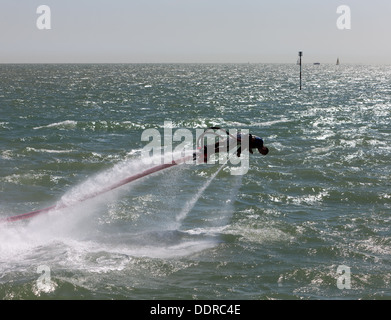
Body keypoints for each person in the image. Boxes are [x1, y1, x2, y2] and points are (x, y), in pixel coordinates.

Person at [195, 131, 269, 163]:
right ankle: (206, 150)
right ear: (264, 148)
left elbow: (246, 144)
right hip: (239, 137)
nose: (260, 152)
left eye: (261, 153)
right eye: (262, 152)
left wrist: (248, 149)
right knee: (225, 146)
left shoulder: (257, 146)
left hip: (238, 139)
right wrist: (239, 151)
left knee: (225, 145)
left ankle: (207, 150)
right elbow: (249, 137)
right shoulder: (260, 142)